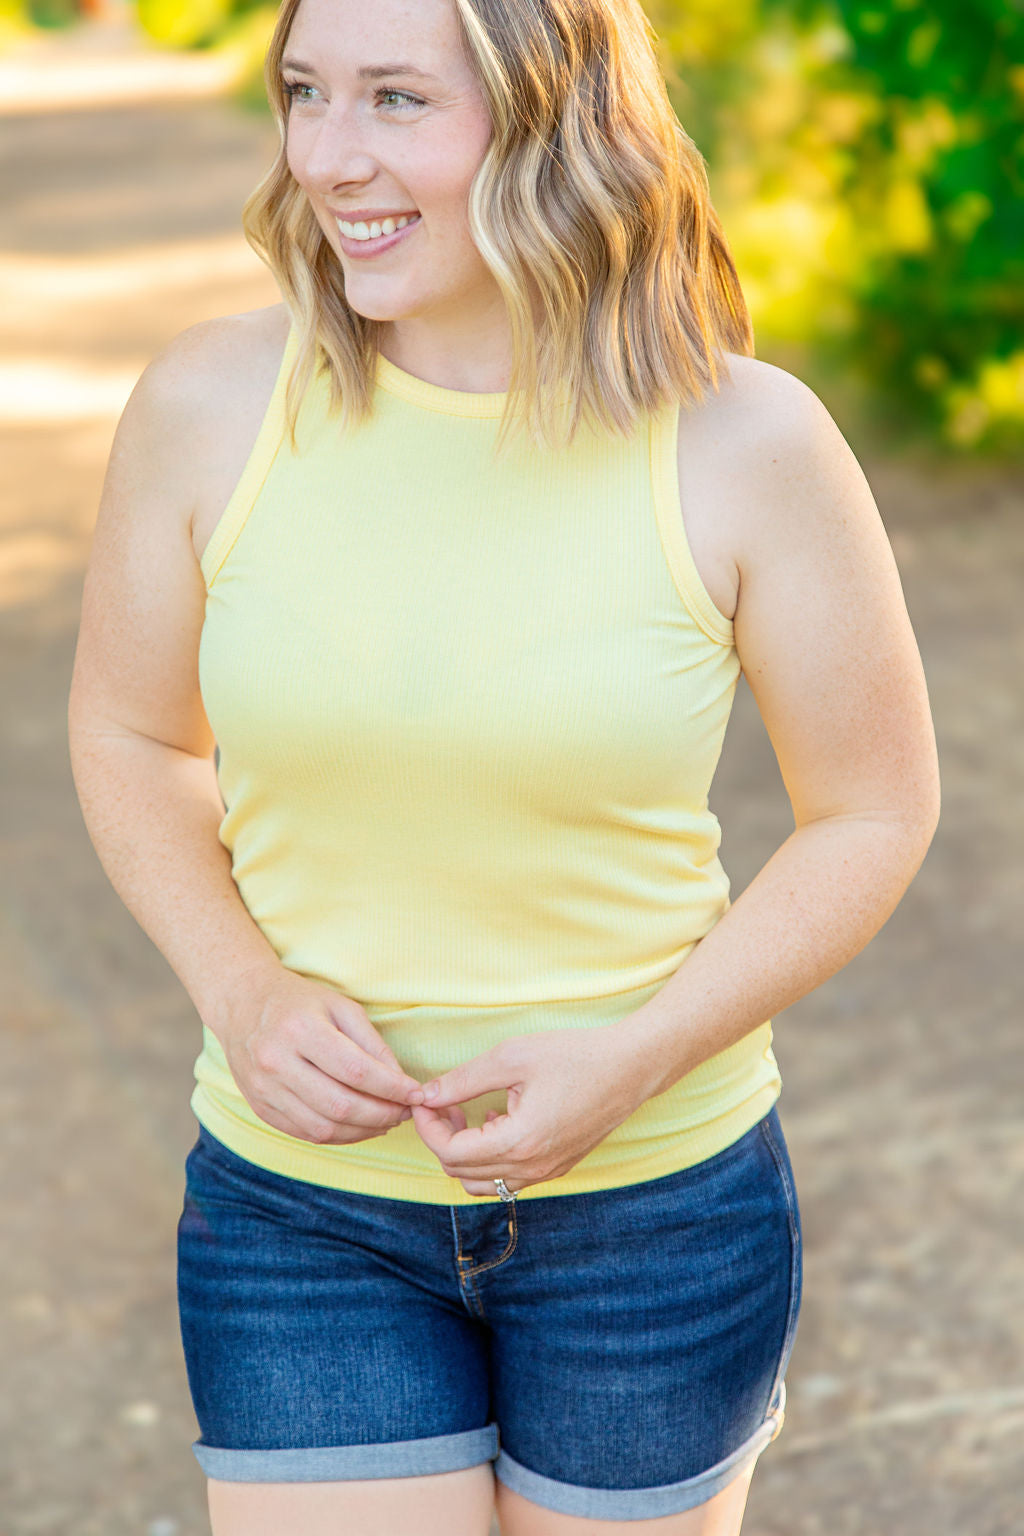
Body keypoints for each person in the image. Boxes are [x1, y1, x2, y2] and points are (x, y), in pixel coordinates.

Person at [67, 0, 940, 1531]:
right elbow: (133, 734)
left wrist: (642, 1051)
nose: (331, 158)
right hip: (303, 1218)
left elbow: (872, 810)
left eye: (399, 99)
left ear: (560, 117)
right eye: (305, 92)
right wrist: (241, 986)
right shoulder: (210, 406)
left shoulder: (747, 444)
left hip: (655, 1217)